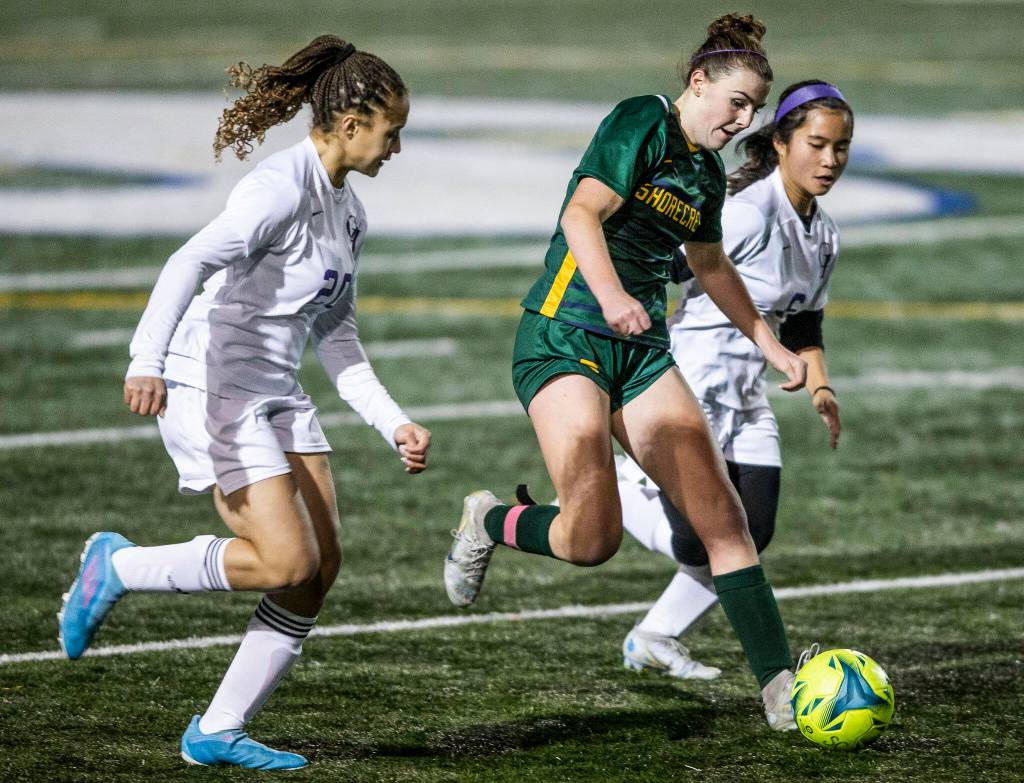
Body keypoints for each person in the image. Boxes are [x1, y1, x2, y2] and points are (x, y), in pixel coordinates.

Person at [57, 36, 431, 770]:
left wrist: (394, 422)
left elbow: (337, 336)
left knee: (319, 570)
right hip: (212, 388)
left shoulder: (349, 215)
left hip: (276, 393)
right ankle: (119, 566)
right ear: (353, 123)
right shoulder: (280, 188)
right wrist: (147, 360)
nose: (397, 146)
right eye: (394, 130)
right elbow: (188, 260)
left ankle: (217, 730)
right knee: (285, 560)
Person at [444, 14, 807, 731]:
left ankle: (780, 689)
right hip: (563, 337)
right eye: (735, 101)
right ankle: (490, 518)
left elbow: (708, 264)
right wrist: (611, 298)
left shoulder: (704, 172)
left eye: (754, 109)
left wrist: (770, 341)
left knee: (724, 522)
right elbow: (582, 214)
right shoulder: (642, 119)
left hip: (639, 352)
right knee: (591, 539)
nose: (743, 119)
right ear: (696, 82)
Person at [616, 80, 853, 681]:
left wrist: (820, 386)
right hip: (692, 386)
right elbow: (661, 263)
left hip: (747, 399)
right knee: (705, 543)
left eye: (841, 147)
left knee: (754, 531)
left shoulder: (824, 234)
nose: (830, 160)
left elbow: (804, 320)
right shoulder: (745, 213)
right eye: (817, 144)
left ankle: (654, 636)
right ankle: (604, 492)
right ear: (780, 143)